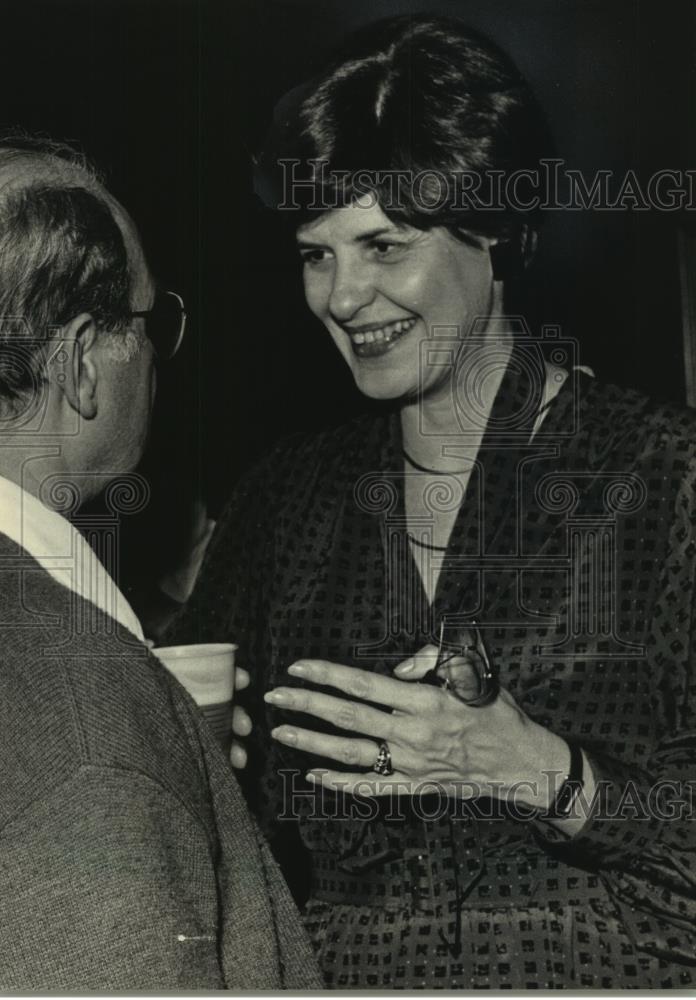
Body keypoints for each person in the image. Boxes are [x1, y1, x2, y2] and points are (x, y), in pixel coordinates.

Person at [167, 15, 696, 990]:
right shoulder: (287, 503)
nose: (342, 295)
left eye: (382, 243)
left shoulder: (666, 479)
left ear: (491, 230)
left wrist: (540, 770)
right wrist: (199, 759)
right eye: (315, 253)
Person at [0, 137, 321, 990]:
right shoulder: (83, 694)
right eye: (151, 322)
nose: (157, 356)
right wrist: (143, 750)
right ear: (77, 364)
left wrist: (185, 770)